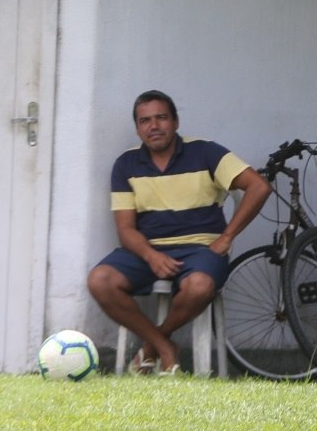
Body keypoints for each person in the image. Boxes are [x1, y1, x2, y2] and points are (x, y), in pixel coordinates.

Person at [87, 90, 271, 375]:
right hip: (147, 250)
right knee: (100, 280)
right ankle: (164, 346)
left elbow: (259, 187)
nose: (154, 126)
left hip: (200, 249)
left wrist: (227, 237)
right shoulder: (126, 164)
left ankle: (151, 347)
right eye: (145, 121)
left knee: (199, 286)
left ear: (175, 122)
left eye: (161, 118)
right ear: (137, 129)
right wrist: (150, 255)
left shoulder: (206, 152)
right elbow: (125, 230)